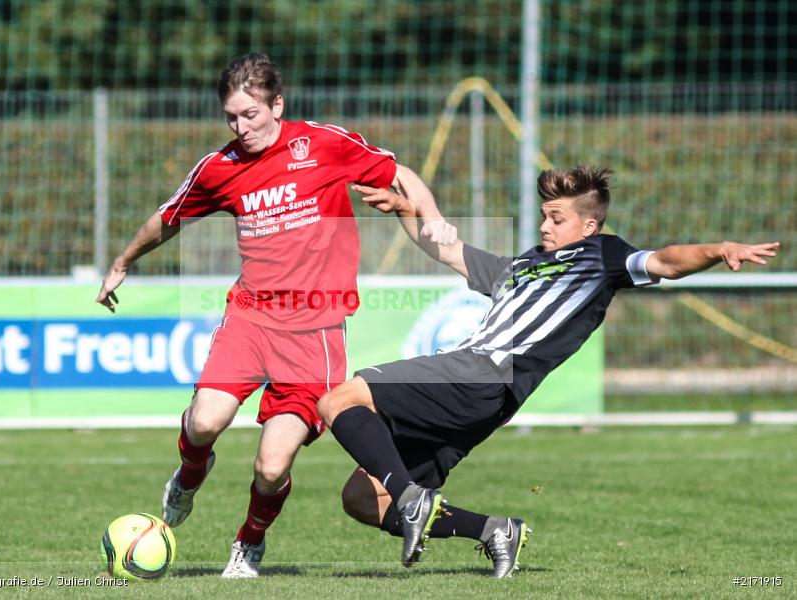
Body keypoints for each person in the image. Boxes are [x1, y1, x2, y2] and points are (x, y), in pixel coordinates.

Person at [317, 166, 780, 577]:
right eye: (544, 216)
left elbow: (665, 261)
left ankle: (411, 497)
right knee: (361, 498)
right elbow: (447, 250)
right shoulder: (520, 265)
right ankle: (494, 531)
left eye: (557, 218)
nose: (544, 226)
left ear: (590, 225)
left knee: (340, 399)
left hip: (480, 371)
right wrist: (404, 208)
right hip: (485, 402)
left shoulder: (602, 255)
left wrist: (718, 249)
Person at [95, 53, 453, 579]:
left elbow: (399, 174)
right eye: (232, 118)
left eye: (250, 115)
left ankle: (249, 543)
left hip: (315, 334)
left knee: (271, 467)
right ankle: (189, 475)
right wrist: (123, 262)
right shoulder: (220, 168)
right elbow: (167, 218)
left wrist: (437, 218)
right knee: (204, 421)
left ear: (276, 105)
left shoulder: (323, 144)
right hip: (250, 320)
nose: (241, 128)